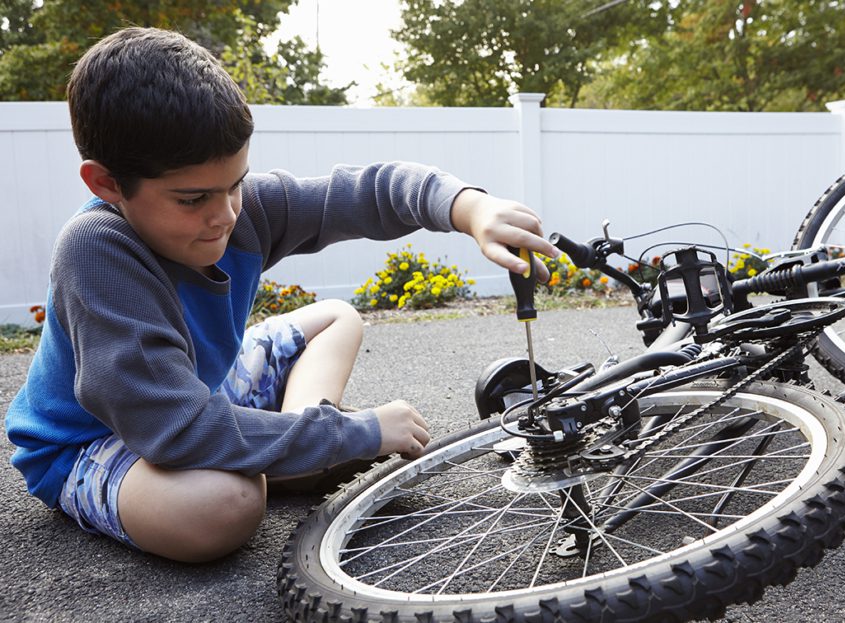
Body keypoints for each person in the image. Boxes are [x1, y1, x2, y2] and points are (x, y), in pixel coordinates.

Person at [3, 27, 557, 563]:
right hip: (99, 440)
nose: (225, 216)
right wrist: (354, 433)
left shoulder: (239, 209)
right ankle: (298, 446)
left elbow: (365, 192)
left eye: (236, 183)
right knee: (226, 505)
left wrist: (468, 207)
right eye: (192, 199)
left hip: (203, 387)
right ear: (105, 184)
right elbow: (178, 429)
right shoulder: (95, 251)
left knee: (336, 317)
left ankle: (294, 449)